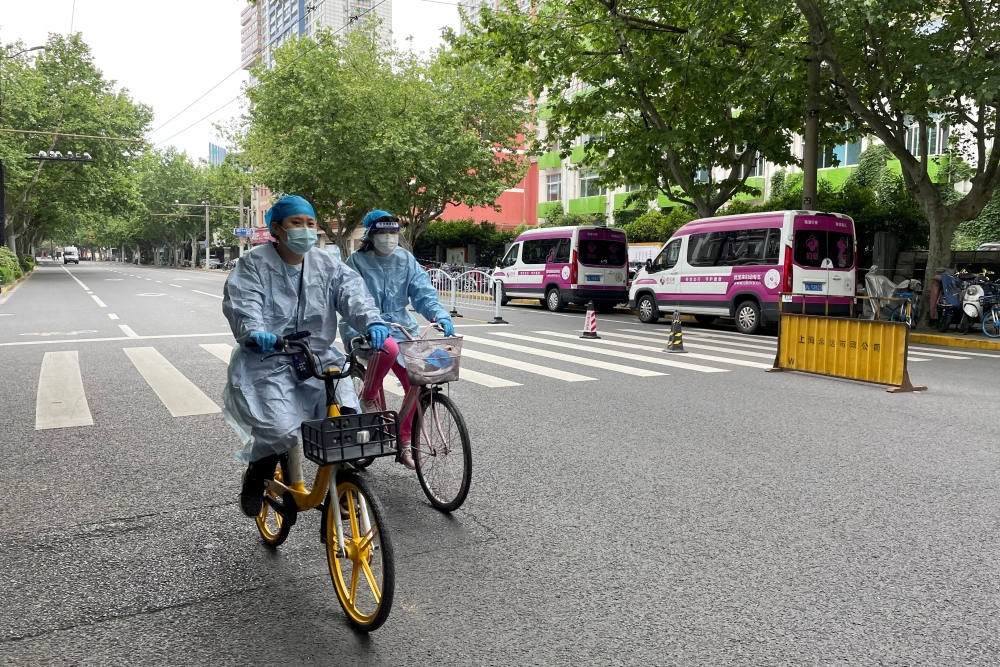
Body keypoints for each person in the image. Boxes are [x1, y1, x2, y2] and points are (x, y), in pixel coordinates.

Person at [222, 195, 390, 517]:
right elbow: (244, 303)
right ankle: (258, 473)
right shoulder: (253, 264)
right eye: (296, 223)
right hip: (267, 359)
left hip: (319, 357)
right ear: (277, 229)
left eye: (310, 223)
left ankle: (341, 488)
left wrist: (372, 321)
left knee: (344, 420)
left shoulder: (327, 264)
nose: (305, 230)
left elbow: (353, 295)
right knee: (281, 431)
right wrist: (254, 332)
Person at [339, 210, 454, 469]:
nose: (388, 237)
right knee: (387, 347)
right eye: (382, 232)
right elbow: (352, 297)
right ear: (370, 234)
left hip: (402, 328)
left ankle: (403, 442)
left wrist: (439, 314)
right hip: (364, 328)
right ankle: (368, 397)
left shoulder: (406, 259)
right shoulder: (355, 262)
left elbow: (423, 292)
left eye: (393, 232)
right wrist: (370, 322)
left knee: (418, 380)